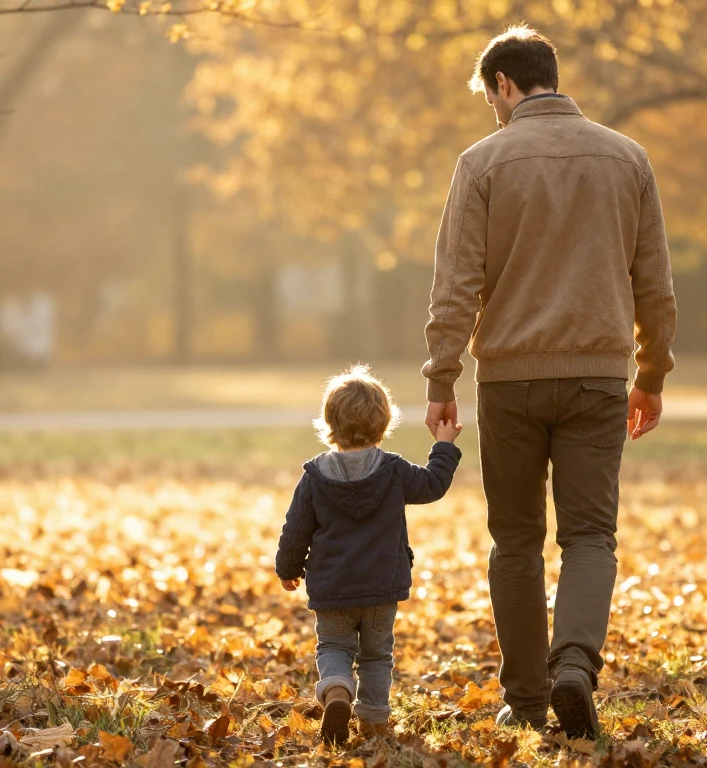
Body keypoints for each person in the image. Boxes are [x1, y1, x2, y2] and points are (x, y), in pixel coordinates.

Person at [421, 26, 678, 739]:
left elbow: (455, 284)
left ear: (504, 84)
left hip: (507, 381)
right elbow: (653, 283)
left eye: (489, 97)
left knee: (515, 540)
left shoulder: (481, 163)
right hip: (598, 376)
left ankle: (528, 698)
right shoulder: (628, 159)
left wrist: (442, 375)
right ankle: (575, 666)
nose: (491, 110)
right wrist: (651, 373)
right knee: (591, 535)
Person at [274, 364, 463, 745]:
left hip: (332, 589)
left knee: (333, 647)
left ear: (330, 422)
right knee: (377, 656)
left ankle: (338, 690)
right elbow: (432, 484)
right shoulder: (393, 471)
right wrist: (444, 446)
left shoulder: (314, 476)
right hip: (381, 587)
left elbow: (295, 529)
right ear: (383, 422)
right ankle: (374, 720)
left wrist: (287, 568)